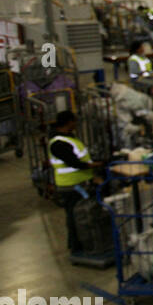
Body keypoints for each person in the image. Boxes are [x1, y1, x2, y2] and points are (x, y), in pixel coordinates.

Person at [47, 110, 102, 258]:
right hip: (71, 186)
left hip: (79, 183)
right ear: (69, 122)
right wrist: (97, 164)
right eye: (74, 121)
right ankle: (76, 248)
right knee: (74, 217)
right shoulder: (58, 143)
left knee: (81, 215)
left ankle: (81, 244)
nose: (76, 124)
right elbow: (74, 163)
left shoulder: (68, 138)